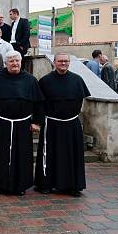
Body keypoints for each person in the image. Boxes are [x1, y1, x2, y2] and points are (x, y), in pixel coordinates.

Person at [0, 50, 44, 195]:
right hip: (0, 123)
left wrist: (37, 122)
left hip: (23, 124)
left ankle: (20, 186)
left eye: (17, 61)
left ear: (21, 62)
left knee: (21, 155)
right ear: (6, 63)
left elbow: (39, 103)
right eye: (11, 61)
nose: (15, 63)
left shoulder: (30, 80)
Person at [34, 53, 90, 197]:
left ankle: (73, 185)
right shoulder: (45, 81)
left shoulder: (77, 80)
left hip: (71, 123)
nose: (63, 63)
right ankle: (46, 184)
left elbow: (81, 101)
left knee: (72, 155)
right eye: (60, 61)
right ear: (54, 62)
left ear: (69, 62)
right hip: (51, 124)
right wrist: (39, 121)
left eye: (66, 61)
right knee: (50, 154)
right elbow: (39, 104)